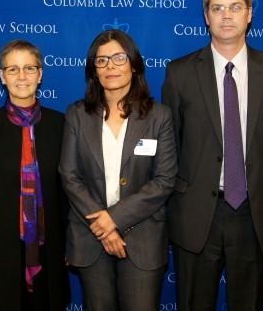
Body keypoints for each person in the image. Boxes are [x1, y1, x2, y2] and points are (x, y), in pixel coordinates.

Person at [162, 0, 263, 310]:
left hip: (254, 213)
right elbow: (170, 145)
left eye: (235, 7)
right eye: (217, 8)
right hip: (196, 215)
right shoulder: (179, 73)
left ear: (249, 13)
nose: (226, 16)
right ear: (206, 16)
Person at [59, 29, 177, 311]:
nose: (110, 66)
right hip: (91, 237)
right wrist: (103, 228)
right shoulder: (76, 114)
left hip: (143, 238)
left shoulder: (159, 116)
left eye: (119, 58)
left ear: (134, 65)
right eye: (101, 61)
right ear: (94, 71)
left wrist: (114, 219)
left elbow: (164, 180)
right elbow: (69, 176)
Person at [0, 39, 70, 310]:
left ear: (40, 74)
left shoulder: (61, 125)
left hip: (48, 253)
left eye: (29, 68)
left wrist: (72, 246)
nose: (22, 77)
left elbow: (69, 193)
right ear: (1, 76)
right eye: (13, 69)